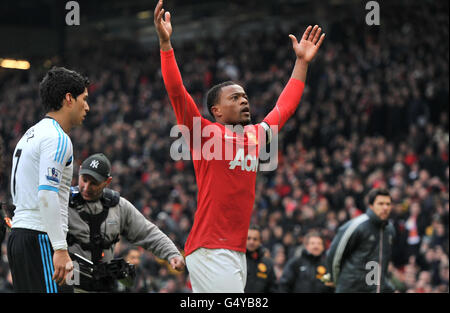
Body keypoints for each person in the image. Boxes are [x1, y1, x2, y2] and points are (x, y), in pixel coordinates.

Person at [154, 0, 325, 292]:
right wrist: (165, 44)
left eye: (244, 96)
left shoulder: (256, 136)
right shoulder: (204, 133)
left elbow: (284, 107)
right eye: (234, 98)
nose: (244, 100)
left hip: (234, 248)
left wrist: (302, 63)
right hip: (210, 248)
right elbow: (176, 92)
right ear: (216, 111)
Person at [7, 67, 90, 293]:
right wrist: (60, 249)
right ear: (69, 99)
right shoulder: (58, 138)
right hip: (40, 237)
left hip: (19, 236)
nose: (87, 107)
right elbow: (46, 193)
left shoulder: (30, 134)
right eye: (84, 99)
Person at [67, 153, 185, 292]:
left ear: (107, 181)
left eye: (94, 183)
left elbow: (148, 233)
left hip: (100, 287)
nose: (86, 187)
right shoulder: (63, 201)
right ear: (79, 171)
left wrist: (172, 253)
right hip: (67, 285)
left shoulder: (118, 207)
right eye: (84, 180)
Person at [326, 188, 396, 293]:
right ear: (371, 206)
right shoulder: (356, 226)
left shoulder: (389, 230)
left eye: (388, 204)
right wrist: (336, 281)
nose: (385, 207)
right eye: (380, 204)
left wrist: (387, 287)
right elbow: (335, 255)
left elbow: (382, 264)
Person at [245, 225, 277, 293]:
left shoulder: (268, 263)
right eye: (248, 238)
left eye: (255, 239)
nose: (251, 242)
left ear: (260, 241)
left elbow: (273, 288)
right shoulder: (238, 261)